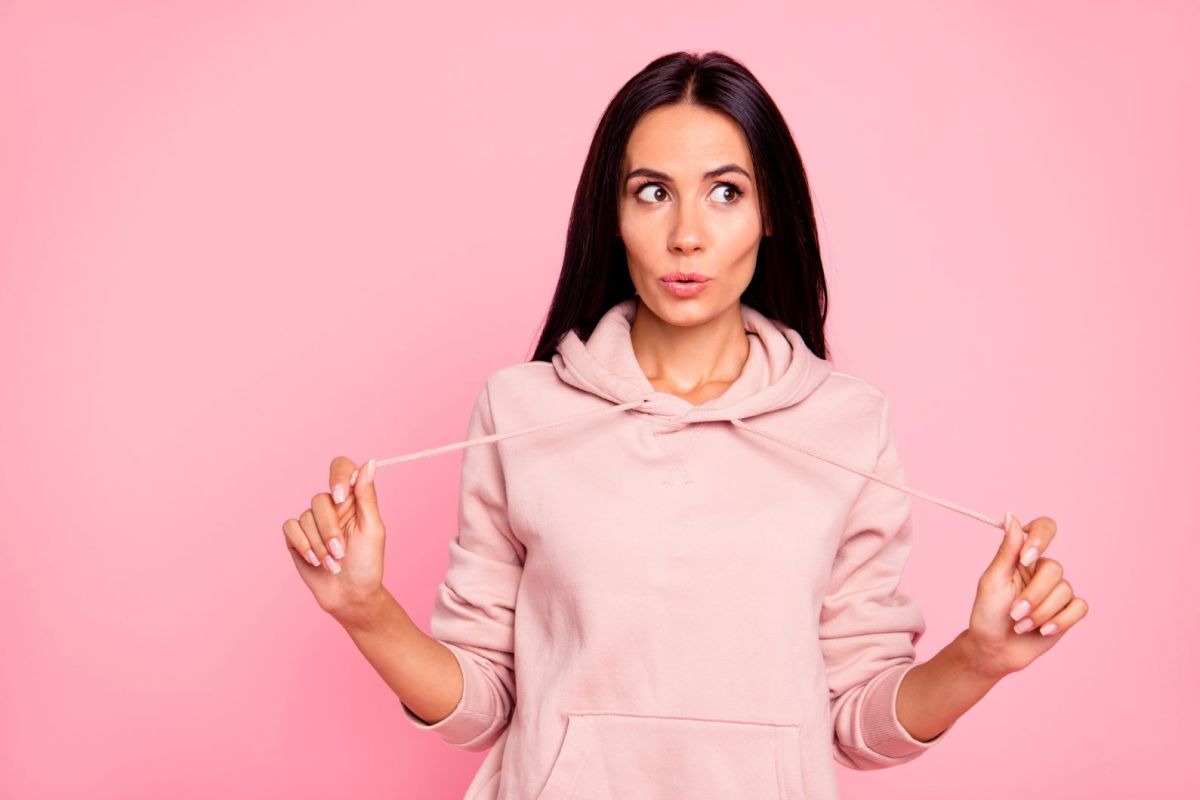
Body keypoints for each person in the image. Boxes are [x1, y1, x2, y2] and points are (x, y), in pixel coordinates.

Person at [282, 50, 1088, 799]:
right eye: (653, 191)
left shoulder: (848, 423)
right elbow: (485, 702)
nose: (687, 234)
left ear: (771, 214)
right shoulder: (519, 410)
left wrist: (979, 659)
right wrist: (365, 609)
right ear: (616, 212)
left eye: (726, 191)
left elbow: (855, 714)